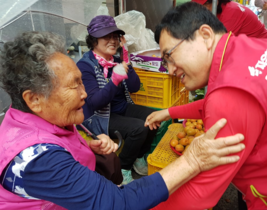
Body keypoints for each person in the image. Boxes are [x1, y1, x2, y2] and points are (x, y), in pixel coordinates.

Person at [0, 31, 245, 210]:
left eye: (80, 82)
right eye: (73, 86)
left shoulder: (38, 115)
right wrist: (193, 160)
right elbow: (118, 204)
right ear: (34, 99)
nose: (83, 92)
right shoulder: (37, 160)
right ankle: (128, 169)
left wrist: (87, 145)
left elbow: (65, 134)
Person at [145, 2, 267, 209]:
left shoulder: (229, 93)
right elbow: (220, 104)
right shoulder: (256, 47)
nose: (170, 70)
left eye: (169, 56)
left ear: (205, 35)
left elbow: (200, 193)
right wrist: (169, 112)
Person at [76, 15, 158, 185]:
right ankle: (123, 168)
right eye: (107, 36)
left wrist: (128, 63)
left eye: (115, 36)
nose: (112, 41)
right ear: (93, 40)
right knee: (138, 128)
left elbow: (134, 87)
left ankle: (136, 157)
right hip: (99, 116)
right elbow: (94, 103)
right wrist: (114, 81)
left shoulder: (117, 61)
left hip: (120, 108)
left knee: (154, 117)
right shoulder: (85, 66)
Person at [192, 0, 267, 41]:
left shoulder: (230, 12)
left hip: (263, 46)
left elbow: (217, 44)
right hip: (248, 46)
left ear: (215, 2)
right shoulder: (218, 11)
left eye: (202, 6)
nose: (199, 11)